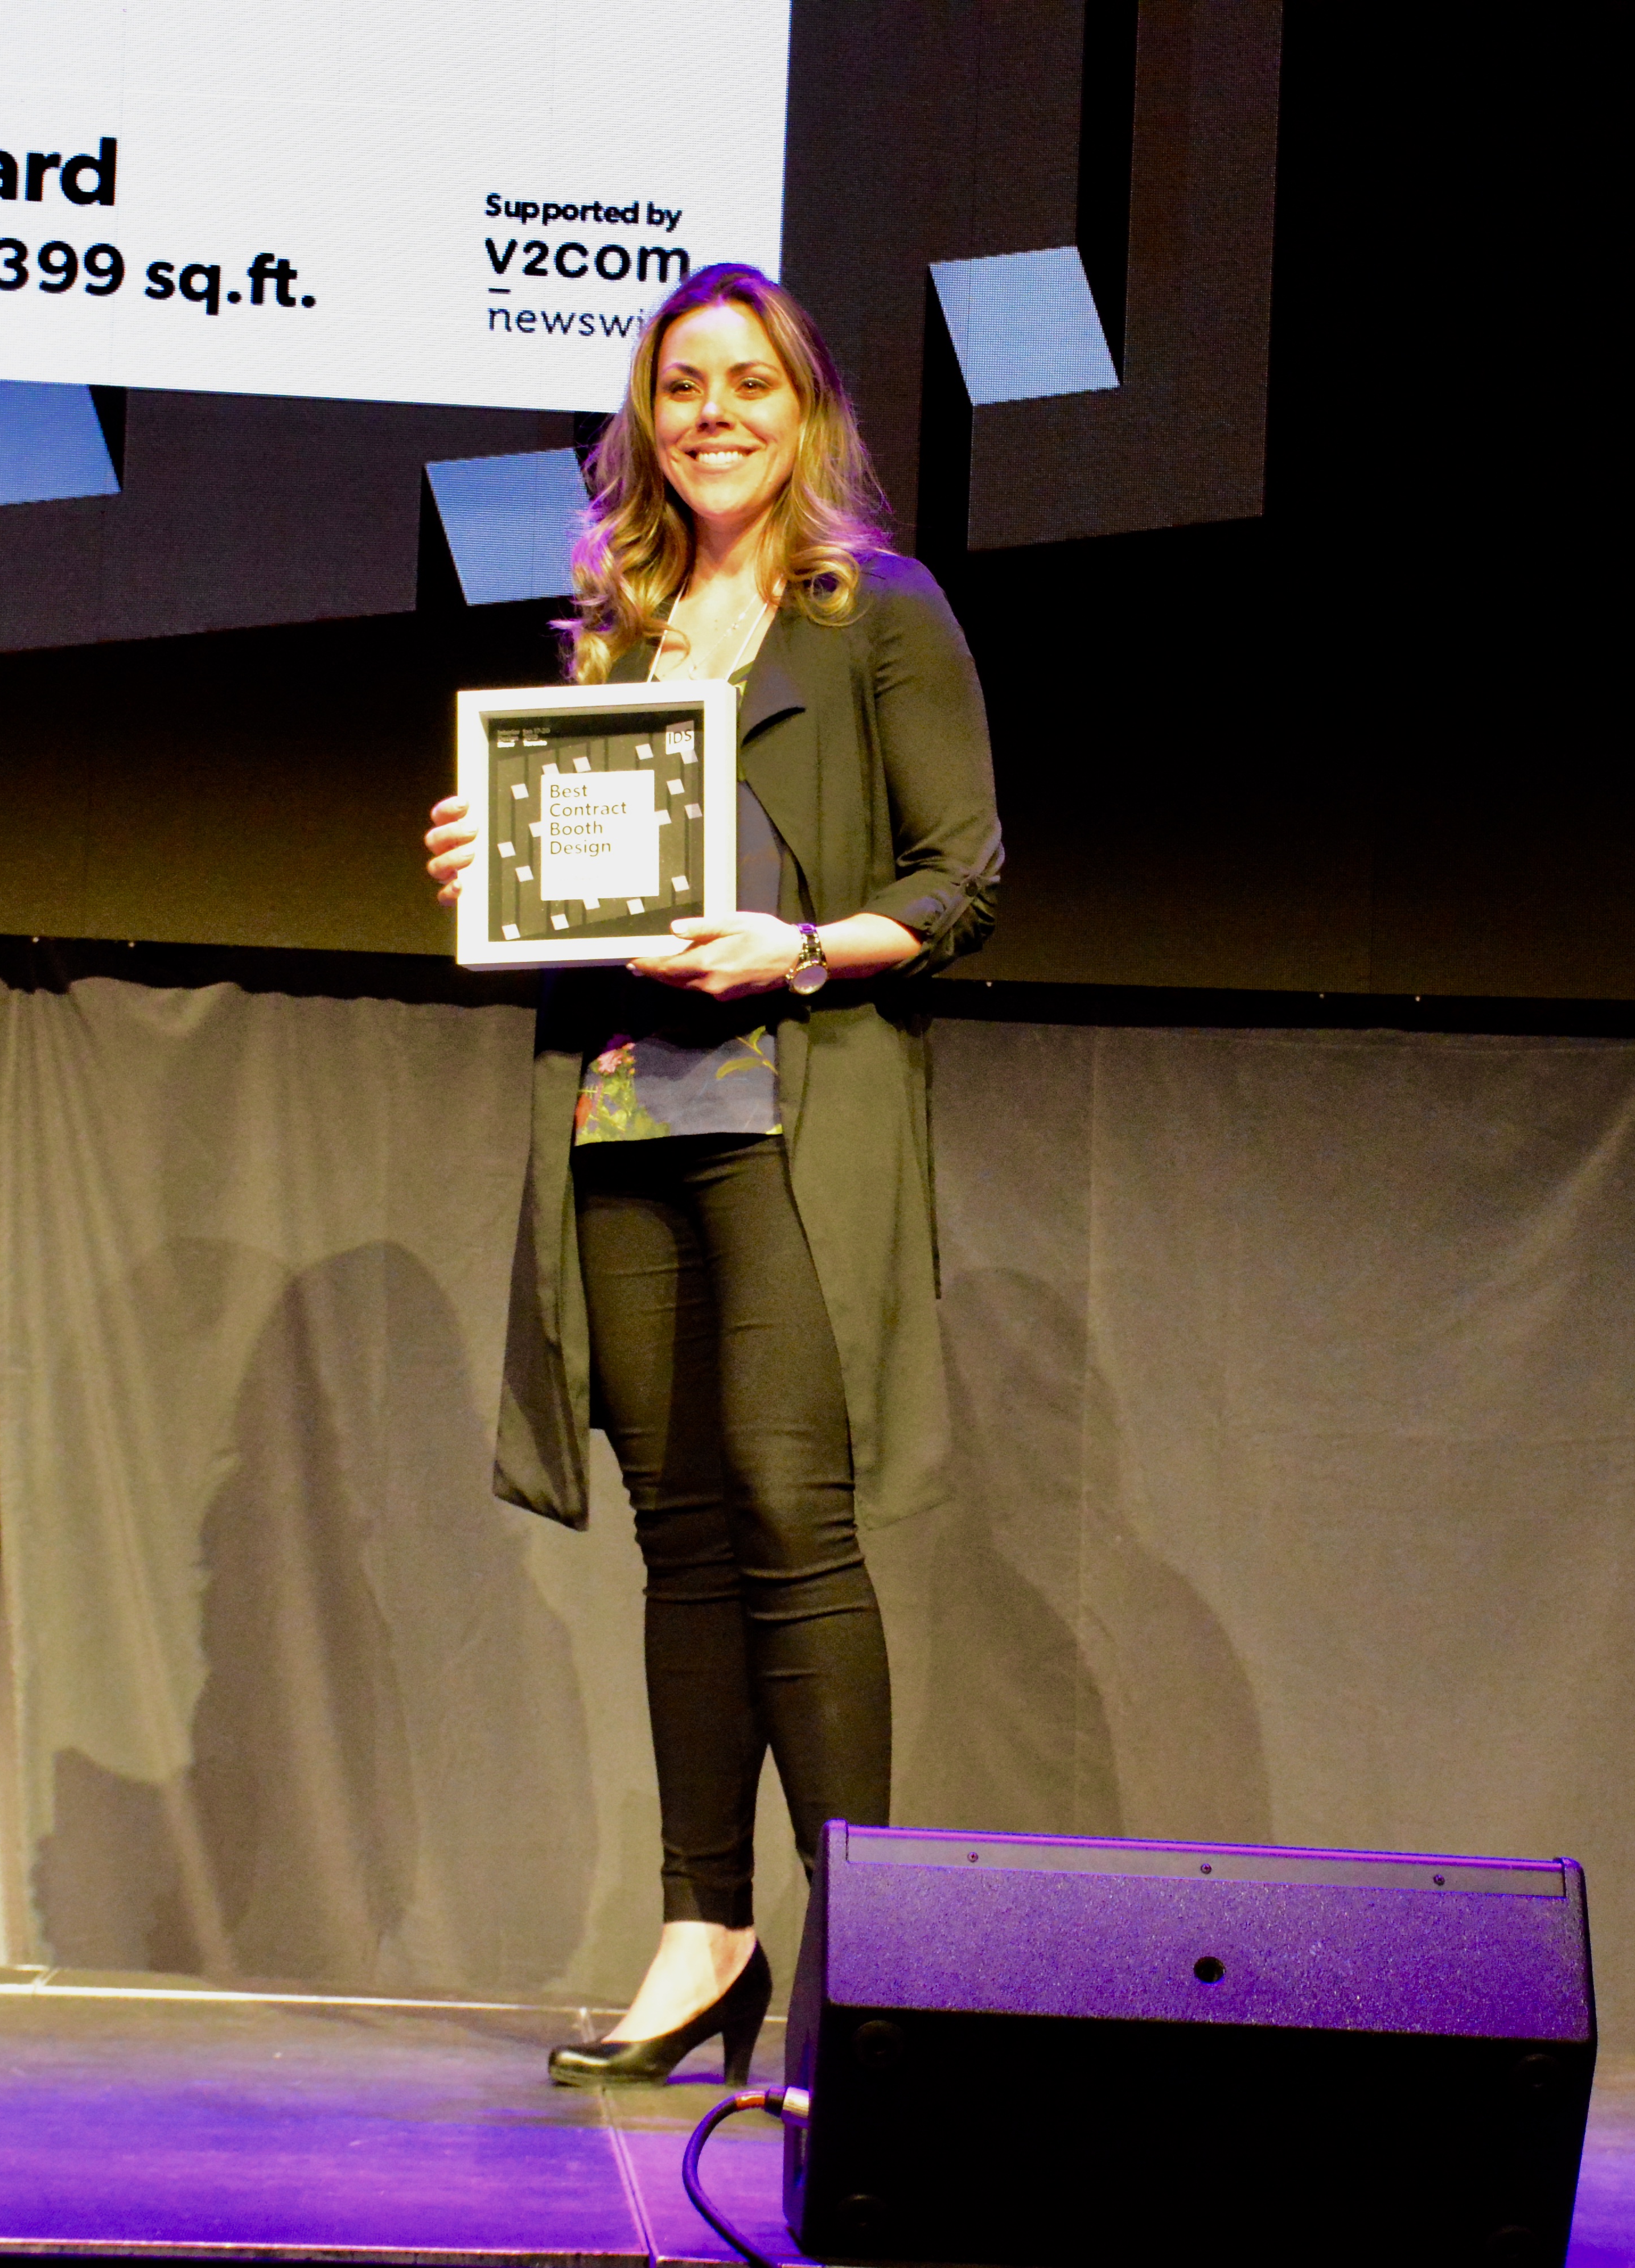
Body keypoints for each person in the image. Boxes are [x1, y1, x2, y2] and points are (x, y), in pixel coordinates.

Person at [424, 264, 1000, 2086]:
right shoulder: (611, 631)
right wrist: (494, 869)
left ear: (803, 407)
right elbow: (591, 889)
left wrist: (800, 948)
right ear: (644, 420)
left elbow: (961, 878)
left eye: (748, 384)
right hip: (621, 1118)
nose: (713, 416)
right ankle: (705, 1933)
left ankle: (861, 1974)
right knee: (680, 1537)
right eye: (682, 388)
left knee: (788, 1525)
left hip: (785, 1117)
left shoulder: (875, 612)